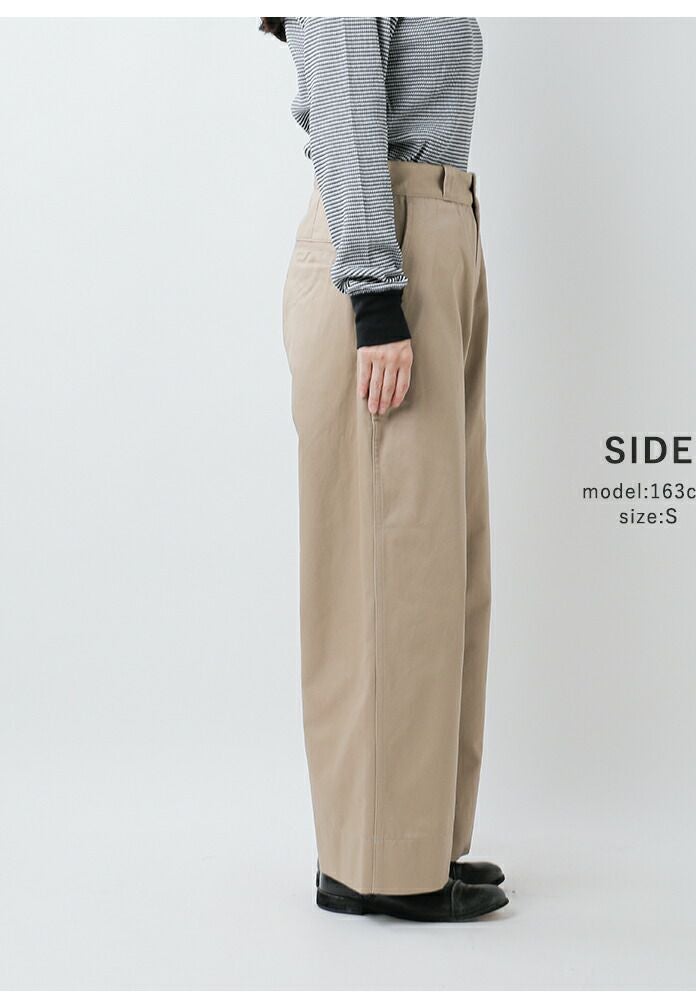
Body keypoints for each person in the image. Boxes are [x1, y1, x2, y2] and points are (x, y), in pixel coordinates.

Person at [262, 16, 507, 922]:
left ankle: (414, 840)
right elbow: (345, 108)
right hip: (385, 251)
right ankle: (381, 869)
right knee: (390, 573)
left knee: (438, 569)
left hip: (437, 236)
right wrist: (375, 298)